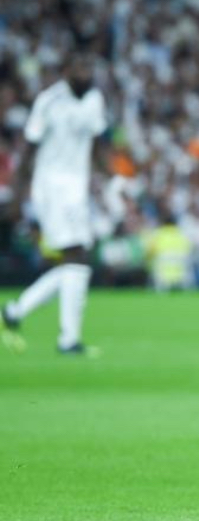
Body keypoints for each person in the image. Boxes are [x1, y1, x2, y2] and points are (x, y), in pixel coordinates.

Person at [2, 57, 106, 356]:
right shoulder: (49, 102)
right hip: (52, 188)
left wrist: (108, 178)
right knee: (76, 256)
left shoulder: (95, 99)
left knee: (76, 262)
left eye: (89, 69)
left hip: (77, 189)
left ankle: (14, 311)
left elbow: (97, 143)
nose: (86, 74)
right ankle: (68, 339)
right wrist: (19, 194)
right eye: (81, 68)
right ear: (66, 72)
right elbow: (30, 147)